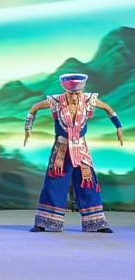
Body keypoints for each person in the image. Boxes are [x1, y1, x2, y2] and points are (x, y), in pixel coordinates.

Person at [25, 73, 123, 233]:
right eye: (71, 94)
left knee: (88, 183)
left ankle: (96, 223)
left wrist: (118, 127)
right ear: (66, 92)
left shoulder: (88, 100)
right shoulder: (56, 102)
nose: (75, 97)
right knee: (54, 183)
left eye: (78, 93)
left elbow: (108, 108)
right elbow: (34, 108)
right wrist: (27, 127)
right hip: (61, 150)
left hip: (81, 149)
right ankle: (44, 222)